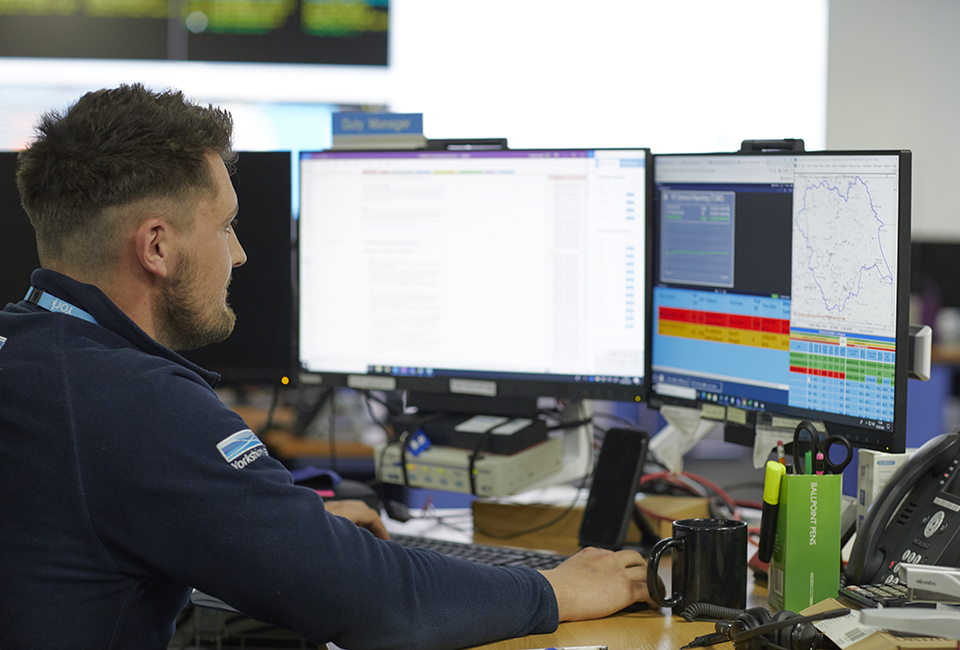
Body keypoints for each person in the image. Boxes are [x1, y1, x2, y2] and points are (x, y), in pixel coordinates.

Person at [0, 84, 655, 650]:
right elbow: (375, 605)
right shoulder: (130, 401)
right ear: (157, 246)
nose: (242, 254)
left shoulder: (35, 360)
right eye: (225, 226)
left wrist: (285, 532)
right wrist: (552, 588)